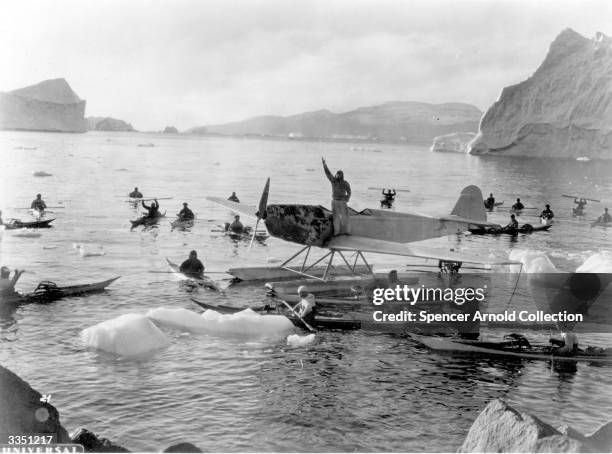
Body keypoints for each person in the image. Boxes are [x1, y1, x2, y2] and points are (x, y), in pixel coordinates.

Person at [322, 157, 351, 236]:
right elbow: (327, 173)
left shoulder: (345, 183)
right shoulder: (333, 181)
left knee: (345, 217)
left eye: (340, 174)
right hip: (335, 201)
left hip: (342, 201)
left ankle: (347, 232)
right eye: (337, 174)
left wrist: (347, 198)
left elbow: (349, 192)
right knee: (336, 217)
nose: (338, 175)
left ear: (342, 175)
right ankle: (336, 233)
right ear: (336, 175)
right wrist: (324, 164)